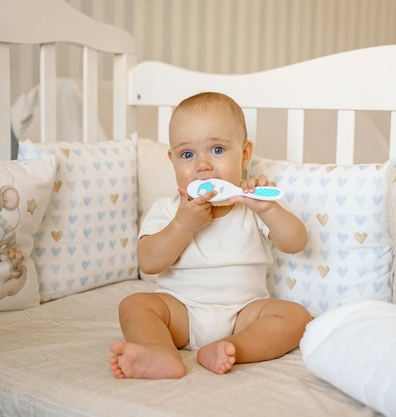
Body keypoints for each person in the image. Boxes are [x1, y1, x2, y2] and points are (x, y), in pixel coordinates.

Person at [109, 92, 312, 379]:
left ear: (244, 154)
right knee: (135, 305)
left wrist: (269, 209)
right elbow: (149, 262)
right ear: (173, 161)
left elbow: (296, 242)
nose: (202, 165)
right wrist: (183, 225)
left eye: (217, 149)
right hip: (181, 313)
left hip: (244, 314)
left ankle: (232, 347)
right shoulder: (167, 210)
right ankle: (158, 350)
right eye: (187, 155)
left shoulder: (251, 207)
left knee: (297, 317)